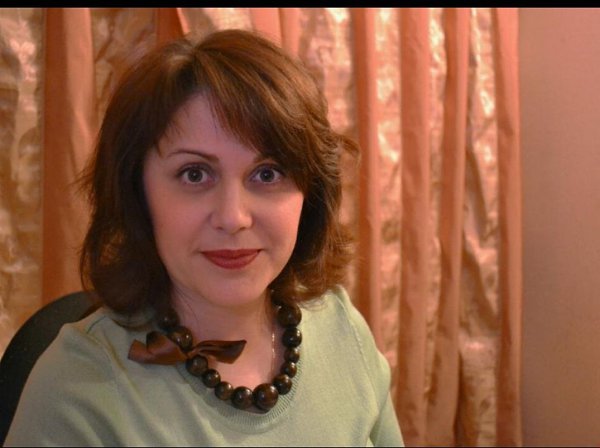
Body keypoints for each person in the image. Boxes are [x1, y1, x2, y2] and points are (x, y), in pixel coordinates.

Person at [5, 29, 404, 446]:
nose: (233, 218)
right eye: (195, 174)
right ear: (138, 194)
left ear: (311, 194)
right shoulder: (75, 390)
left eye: (267, 173)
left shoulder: (341, 326)